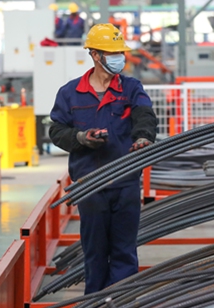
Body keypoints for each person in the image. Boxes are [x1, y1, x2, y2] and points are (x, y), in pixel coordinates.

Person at [49, 24, 157, 294]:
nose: (118, 58)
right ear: (95, 55)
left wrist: (144, 137)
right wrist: (81, 138)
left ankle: (122, 306)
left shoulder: (131, 88)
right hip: (90, 184)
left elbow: (144, 115)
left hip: (125, 182)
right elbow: (57, 130)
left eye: (120, 52)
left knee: (124, 249)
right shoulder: (70, 93)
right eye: (112, 52)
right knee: (95, 251)